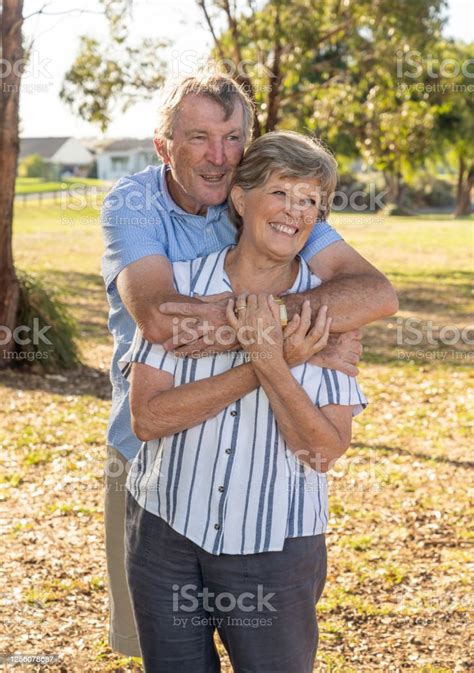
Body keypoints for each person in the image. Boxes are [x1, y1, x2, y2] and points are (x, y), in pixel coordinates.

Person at [101, 73, 397, 656]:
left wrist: (278, 319)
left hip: (268, 504)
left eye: (234, 137)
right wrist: (283, 341)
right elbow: (161, 321)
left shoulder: (274, 197)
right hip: (155, 460)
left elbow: (375, 294)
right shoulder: (135, 203)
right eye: (199, 138)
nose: (220, 157)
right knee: (155, 647)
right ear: (164, 148)